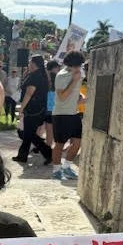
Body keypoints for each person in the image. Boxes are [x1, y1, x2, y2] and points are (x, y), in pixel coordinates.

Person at [51, 51, 85, 180]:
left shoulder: (79, 73)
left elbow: (74, 93)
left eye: (80, 66)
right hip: (61, 114)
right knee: (59, 144)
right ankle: (56, 170)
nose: (78, 68)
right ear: (70, 64)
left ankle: (67, 167)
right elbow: (62, 96)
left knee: (78, 142)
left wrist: (80, 97)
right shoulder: (61, 75)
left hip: (74, 113)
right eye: (76, 66)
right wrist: (74, 80)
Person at [12, 54, 52, 164]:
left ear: (34, 64)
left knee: (30, 134)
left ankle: (48, 153)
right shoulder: (42, 75)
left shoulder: (35, 76)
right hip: (38, 109)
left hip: (33, 110)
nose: (28, 64)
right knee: (28, 134)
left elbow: (29, 93)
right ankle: (22, 156)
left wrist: (21, 108)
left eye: (30, 62)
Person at [45, 59, 61, 147]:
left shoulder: (44, 77)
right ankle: (49, 148)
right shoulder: (58, 77)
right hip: (55, 108)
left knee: (48, 130)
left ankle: (47, 147)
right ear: (54, 67)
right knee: (52, 131)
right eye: (58, 67)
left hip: (45, 107)